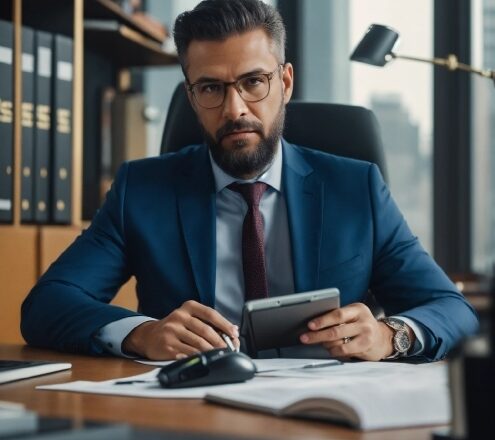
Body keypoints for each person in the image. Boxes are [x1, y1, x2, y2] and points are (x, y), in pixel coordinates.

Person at [21, 0, 478, 362]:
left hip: (325, 413)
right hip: (193, 412)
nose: (235, 109)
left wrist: (388, 335)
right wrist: (142, 334)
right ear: (192, 96)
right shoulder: (142, 191)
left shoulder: (356, 188)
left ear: (286, 82)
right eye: (212, 88)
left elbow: (452, 309)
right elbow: (49, 304)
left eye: (254, 82)